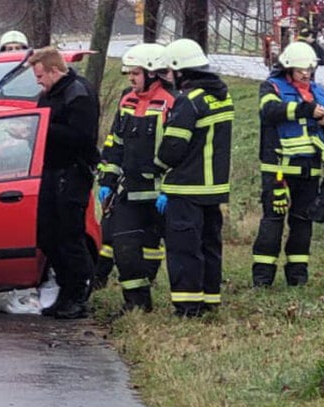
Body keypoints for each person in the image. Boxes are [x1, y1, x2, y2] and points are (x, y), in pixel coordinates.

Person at [252, 41, 324, 288]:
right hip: (278, 170)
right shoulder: (271, 87)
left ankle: (298, 277)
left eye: (309, 69)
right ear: (288, 68)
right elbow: (269, 110)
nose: (306, 73)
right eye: (301, 69)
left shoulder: (319, 91)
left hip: (310, 170)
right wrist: (305, 110)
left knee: (303, 223)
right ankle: (262, 279)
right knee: (272, 221)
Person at [155, 38, 233, 317]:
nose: (169, 78)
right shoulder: (222, 96)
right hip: (213, 188)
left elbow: (173, 147)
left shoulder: (189, 101)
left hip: (186, 187)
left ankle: (188, 306)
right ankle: (209, 300)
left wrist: (156, 165)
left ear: (180, 70)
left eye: (170, 72)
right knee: (209, 245)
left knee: (184, 248)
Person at [96, 43, 175, 312]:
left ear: (153, 73)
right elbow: (115, 143)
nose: (131, 78)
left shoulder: (171, 102)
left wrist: (168, 188)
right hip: (130, 190)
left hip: (162, 192)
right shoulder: (126, 100)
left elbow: (179, 151)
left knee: (157, 247)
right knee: (124, 247)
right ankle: (137, 304)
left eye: (136, 73)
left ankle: (159, 293)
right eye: (129, 73)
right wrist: (107, 181)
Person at [28, 46, 99, 319]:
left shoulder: (78, 93)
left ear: (54, 71)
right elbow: (41, 125)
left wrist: (43, 128)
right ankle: (65, 290)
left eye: (40, 76)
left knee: (70, 236)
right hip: (50, 170)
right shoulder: (48, 95)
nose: (38, 82)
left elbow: (81, 136)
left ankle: (79, 293)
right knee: (46, 235)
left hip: (72, 171)